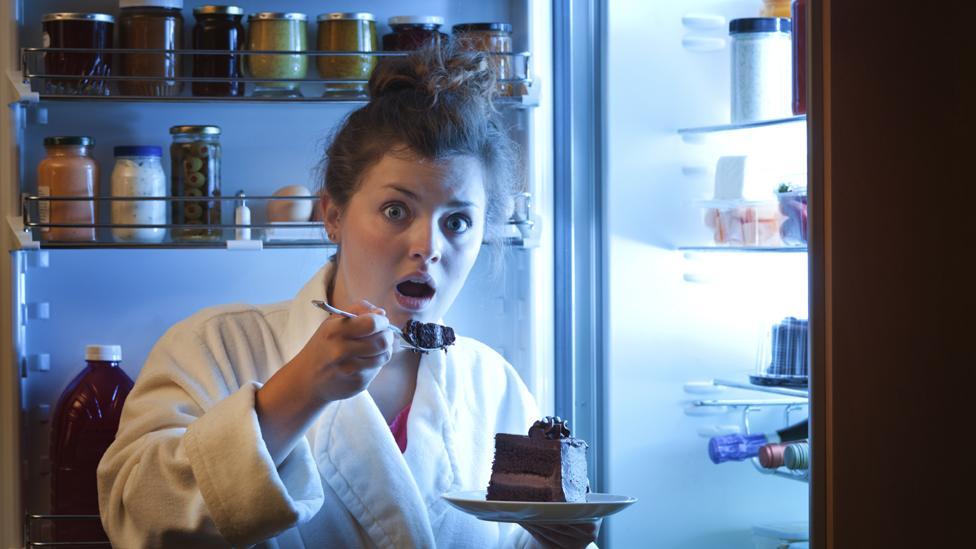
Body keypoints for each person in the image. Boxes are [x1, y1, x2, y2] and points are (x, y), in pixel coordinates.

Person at [97, 45, 600, 548]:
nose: (427, 248)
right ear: (333, 214)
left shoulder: (493, 384)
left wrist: (559, 543)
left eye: (458, 222)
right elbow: (138, 517)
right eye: (396, 211)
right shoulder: (214, 347)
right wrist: (296, 392)